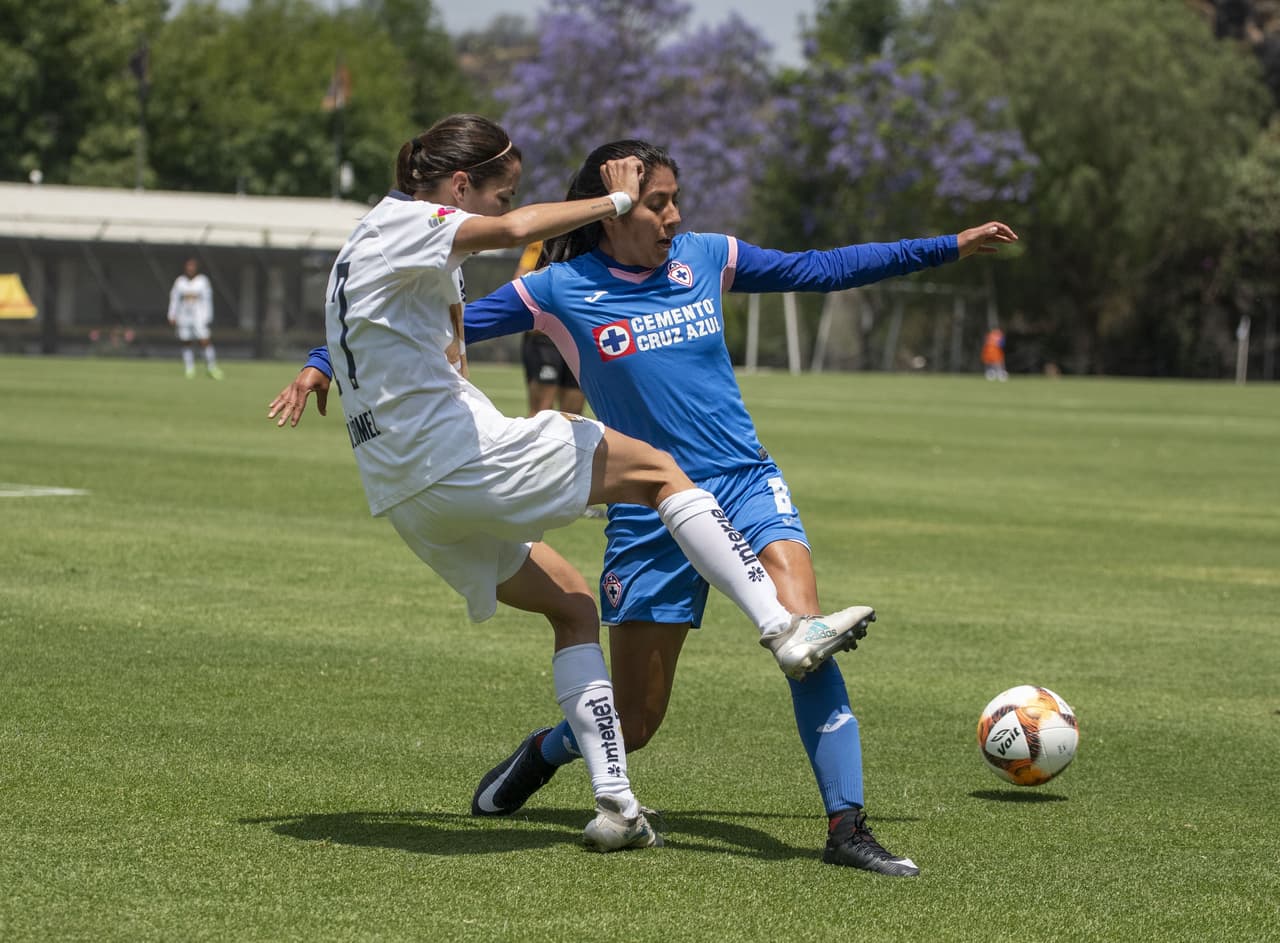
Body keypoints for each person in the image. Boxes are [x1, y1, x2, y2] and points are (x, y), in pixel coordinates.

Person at [268, 116, 877, 852]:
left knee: (571, 603)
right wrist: (612, 203)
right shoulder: (436, 230)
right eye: (500, 193)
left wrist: (321, 361)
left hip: (406, 493)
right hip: (456, 457)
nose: (506, 208)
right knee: (657, 470)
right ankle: (781, 630)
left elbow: (389, 315)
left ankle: (618, 804)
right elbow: (514, 231)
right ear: (460, 186)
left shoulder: (368, 238)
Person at [454, 141, 1017, 877]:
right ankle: (547, 749)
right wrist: (325, 358)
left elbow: (822, 268)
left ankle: (847, 825)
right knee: (637, 721)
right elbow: (436, 329)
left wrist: (947, 245)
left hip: (746, 482)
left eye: (675, 198)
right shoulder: (558, 289)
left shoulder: (706, 257)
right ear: (613, 210)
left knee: (806, 641)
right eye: (656, 202)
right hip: (647, 512)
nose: (674, 214)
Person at [167, 257, 222, 380]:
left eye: (192, 266)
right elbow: (174, 299)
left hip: (199, 316)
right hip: (184, 316)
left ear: (197, 268)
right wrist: (171, 314)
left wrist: (208, 316)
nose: (190, 269)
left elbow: (208, 300)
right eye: (188, 266)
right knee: (186, 342)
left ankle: (211, 367)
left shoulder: (202, 281)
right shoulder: (180, 281)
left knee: (204, 341)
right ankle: (189, 369)